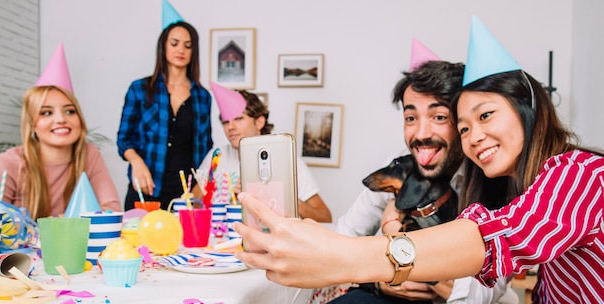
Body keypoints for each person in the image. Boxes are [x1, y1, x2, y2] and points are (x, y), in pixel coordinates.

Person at [234, 17, 603, 303]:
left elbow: (490, 242)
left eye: (486, 115)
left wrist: (353, 252)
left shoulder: (580, 174)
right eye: (464, 127)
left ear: (529, 111)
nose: (473, 136)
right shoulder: (405, 172)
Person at [330, 40, 515, 304]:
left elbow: (478, 294)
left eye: (439, 117)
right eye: (410, 118)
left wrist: (398, 249)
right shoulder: (400, 168)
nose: (421, 134)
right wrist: (379, 281)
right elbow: (343, 238)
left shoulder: (494, 178)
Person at [0, 44, 121, 219]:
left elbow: (112, 210)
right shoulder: (7, 165)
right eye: (46, 113)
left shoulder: (88, 154)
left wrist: (60, 223)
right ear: (32, 124)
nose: (61, 119)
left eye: (70, 111)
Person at [117, 0, 213, 210]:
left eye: (188, 46)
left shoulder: (202, 97)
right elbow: (124, 139)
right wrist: (136, 162)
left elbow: (205, 147)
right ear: (163, 46)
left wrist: (198, 188)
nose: (181, 50)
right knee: (138, 242)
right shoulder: (140, 89)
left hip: (184, 194)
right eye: (175, 43)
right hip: (145, 188)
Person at [194, 82, 332, 222]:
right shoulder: (217, 156)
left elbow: (326, 218)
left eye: (238, 118)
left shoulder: (287, 160)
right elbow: (192, 205)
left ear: (259, 122)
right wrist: (220, 189)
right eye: (225, 121)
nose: (230, 127)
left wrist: (286, 198)